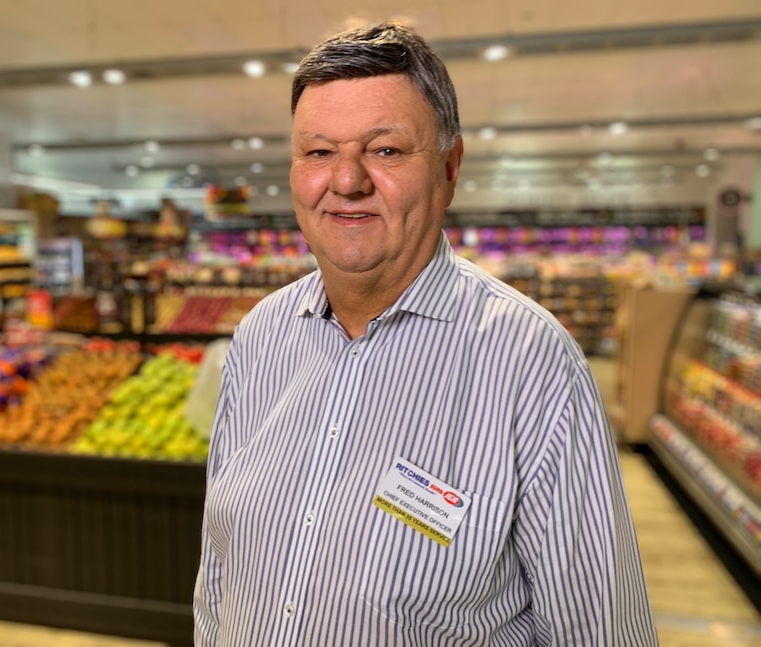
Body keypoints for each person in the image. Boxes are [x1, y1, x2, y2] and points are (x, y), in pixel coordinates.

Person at [193, 21, 658, 646]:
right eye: (319, 152)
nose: (347, 181)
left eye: (385, 151)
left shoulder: (531, 362)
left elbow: (598, 632)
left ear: (449, 167)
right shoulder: (259, 340)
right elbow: (219, 575)